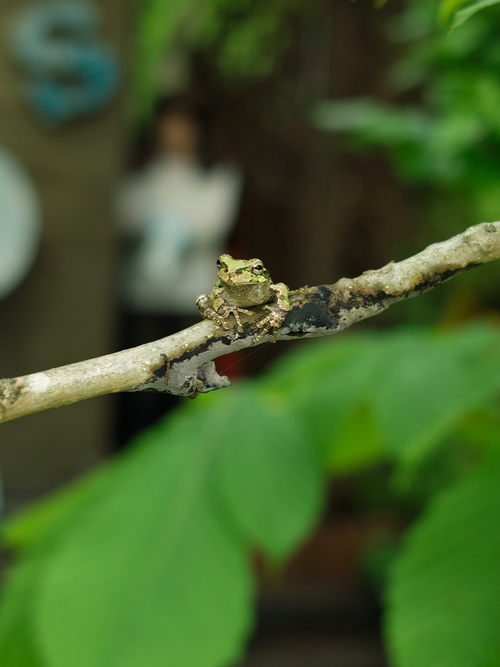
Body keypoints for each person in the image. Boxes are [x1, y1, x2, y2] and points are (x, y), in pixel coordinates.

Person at [115, 96, 242, 445]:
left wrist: (174, 231)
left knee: (185, 382)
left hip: (191, 299)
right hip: (141, 298)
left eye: (183, 125)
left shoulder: (216, 173)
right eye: (169, 123)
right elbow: (124, 214)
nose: (175, 133)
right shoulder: (141, 170)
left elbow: (212, 221)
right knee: (139, 389)